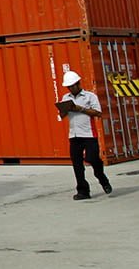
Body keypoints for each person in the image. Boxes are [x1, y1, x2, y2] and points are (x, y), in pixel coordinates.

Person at [59, 70, 112, 200]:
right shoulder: (66, 98)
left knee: (92, 158)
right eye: (68, 87)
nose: (71, 89)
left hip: (89, 134)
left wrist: (81, 109)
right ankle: (83, 191)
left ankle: (102, 178)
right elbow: (62, 115)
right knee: (77, 164)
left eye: (73, 86)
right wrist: (64, 110)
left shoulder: (90, 96)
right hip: (74, 136)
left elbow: (98, 113)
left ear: (78, 84)